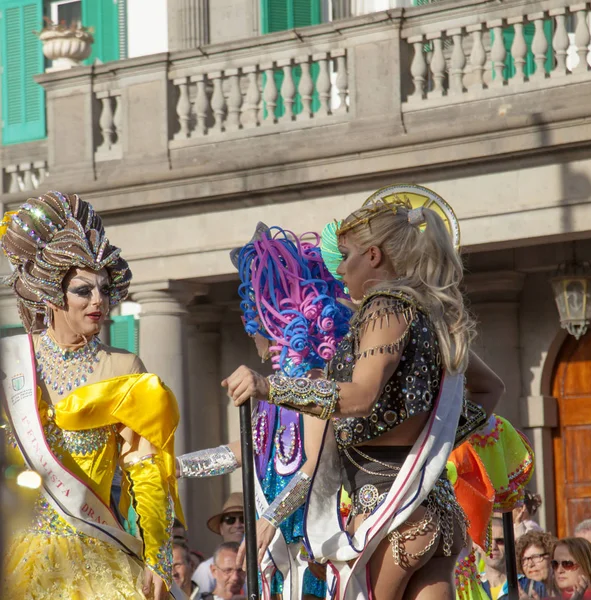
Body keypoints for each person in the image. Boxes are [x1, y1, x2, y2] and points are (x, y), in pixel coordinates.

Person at [222, 185, 506, 599]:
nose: (341, 269)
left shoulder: (385, 307)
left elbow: (361, 395)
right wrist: (426, 440)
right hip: (438, 514)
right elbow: (489, 388)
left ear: (374, 256)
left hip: (387, 513)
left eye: (348, 254)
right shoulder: (432, 316)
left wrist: (269, 387)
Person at [0, 192, 183, 600]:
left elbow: (147, 472)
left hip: (95, 551)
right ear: (52, 295)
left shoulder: (124, 367)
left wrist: (158, 557)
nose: (99, 300)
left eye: (103, 289)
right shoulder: (11, 365)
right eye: (84, 290)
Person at [179, 224, 351, 599]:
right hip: (279, 554)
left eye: (252, 316)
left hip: (314, 549)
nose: (247, 327)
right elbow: (235, 453)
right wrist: (171, 467)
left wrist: (270, 518)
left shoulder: (314, 380)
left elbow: (313, 466)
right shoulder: (271, 393)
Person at [192, 494, 245, 595]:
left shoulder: (262, 563)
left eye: (243, 519)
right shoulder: (205, 569)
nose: (237, 525)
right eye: (230, 520)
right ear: (221, 528)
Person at [514, 530, 556, 598]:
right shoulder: (517, 595)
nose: (530, 564)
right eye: (524, 560)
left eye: (536, 557)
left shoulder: (567, 590)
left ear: (551, 557)